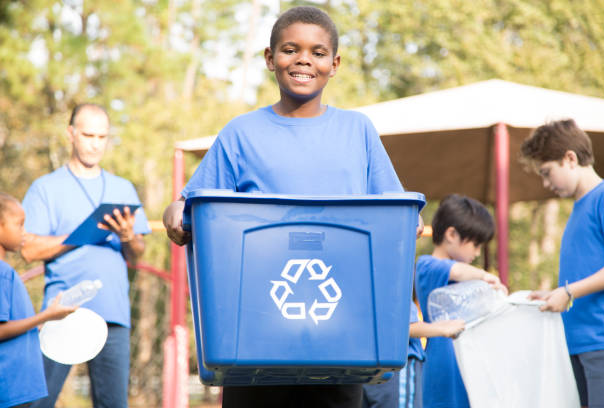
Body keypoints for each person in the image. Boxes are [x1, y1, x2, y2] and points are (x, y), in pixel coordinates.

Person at [163, 6, 421, 408]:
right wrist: (174, 214)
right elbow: (189, 203)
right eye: (290, 49)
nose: (304, 59)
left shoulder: (358, 131)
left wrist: (411, 227)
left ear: (334, 65)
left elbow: (393, 210)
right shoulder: (241, 133)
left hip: (341, 344)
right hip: (254, 342)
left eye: (318, 53)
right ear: (270, 58)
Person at [20, 103, 150, 408]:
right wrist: (81, 235)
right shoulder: (45, 189)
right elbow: (28, 249)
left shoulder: (123, 188)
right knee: (38, 402)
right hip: (60, 311)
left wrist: (129, 237)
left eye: (102, 137)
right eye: (88, 134)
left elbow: (136, 257)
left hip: (113, 314)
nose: (95, 143)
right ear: (71, 134)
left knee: (112, 404)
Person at [521, 119, 604, 408]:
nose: (547, 184)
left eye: (547, 173)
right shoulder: (577, 209)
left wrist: (569, 292)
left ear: (570, 158)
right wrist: (555, 293)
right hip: (576, 346)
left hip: (603, 344)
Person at [414, 194, 505, 408]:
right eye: (475, 244)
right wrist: (485, 277)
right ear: (452, 234)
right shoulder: (427, 265)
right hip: (443, 364)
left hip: (469, 364)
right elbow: (457, 271)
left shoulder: (467, 277)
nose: (477, 252)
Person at [0, 193, 77, 408]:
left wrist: (40, 323)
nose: (25, 232)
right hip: (10, 391)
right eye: (19, 225)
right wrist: (45, 316)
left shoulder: (7, 271)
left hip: (20, 389)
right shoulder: (2, 273)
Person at [362, 300, 465, 408]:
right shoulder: (392, 285)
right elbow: (404, 326)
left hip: (367, 364)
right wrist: (444, 328)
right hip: (396, 366)